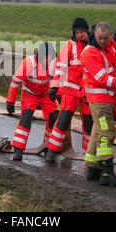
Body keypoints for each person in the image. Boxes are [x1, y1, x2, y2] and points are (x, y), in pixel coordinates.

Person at [81, 22, 116, 186]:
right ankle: (106, 172)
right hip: (99, 99)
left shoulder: (110, 46)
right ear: (94, 35)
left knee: (98, 131)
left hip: (107, 97)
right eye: (100, 38)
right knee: (107, 132)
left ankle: (92, 168)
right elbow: (103, 79)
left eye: (106, 38)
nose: (103, 41)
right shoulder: (89, 53)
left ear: (110, 36)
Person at [44, 17, 93, 163]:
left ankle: (89, 155)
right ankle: (51, 152)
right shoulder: (68, 45)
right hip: (70, 89)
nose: (79, 35)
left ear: (87, 31)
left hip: (87, 91)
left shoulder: (93, 45)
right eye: (77, 32)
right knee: (63, 121)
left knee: (89, 123)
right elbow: (60, 68)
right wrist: (54, 87)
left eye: (82, 32)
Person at [7, 42, 57, 161]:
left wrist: (57, 94)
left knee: (52, 119)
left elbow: (59, 81)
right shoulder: (28, 63)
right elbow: (15, 83)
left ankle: (48, 148)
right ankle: (18, 150)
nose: (48, 62)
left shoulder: (55, 64)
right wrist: (10, 102)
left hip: (46, 94)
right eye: (45, 58)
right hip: (30, 93)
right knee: (26, 118)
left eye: (50, 58)